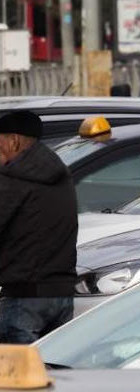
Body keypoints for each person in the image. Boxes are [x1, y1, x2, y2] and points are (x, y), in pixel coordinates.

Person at [0, 111, 77, 343]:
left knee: (16, 376)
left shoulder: (13, 178)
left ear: (13, 141)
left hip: (24, 298)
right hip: (61, 296)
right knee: (56, 374)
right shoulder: (60, 172)